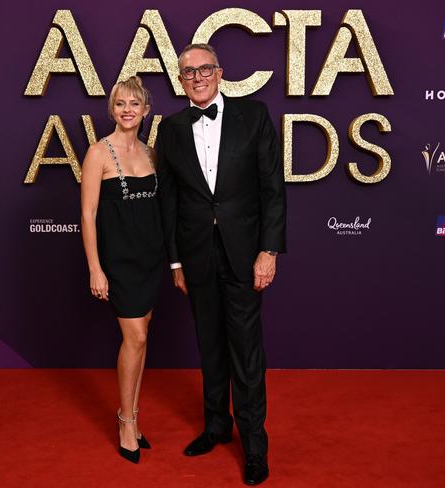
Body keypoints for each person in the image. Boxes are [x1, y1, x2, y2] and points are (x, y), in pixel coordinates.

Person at [156, 44, 286, 485]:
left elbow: (273, 188)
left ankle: (254, 444)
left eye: (204, 69)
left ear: (219, 72)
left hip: (245, 253)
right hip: (195, 255)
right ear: (180, 80)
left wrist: (268, 250)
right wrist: (175, 261)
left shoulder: (254, 115)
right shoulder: (170, 129)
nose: (196, 77)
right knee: (208, 344)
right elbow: (168, 202)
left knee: (246, 352)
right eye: (188, 72)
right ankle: (216, 426)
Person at [81, 76, 164, 464]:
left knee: (142, 337)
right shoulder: (98, 152)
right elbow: (88, 214)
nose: (127, 110)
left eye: (134, 104)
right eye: (120, 104)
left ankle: (134, 415)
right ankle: (125, 421)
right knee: (135, 337)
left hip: (151, 256)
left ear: (146, 110)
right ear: (112, 109)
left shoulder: (150, 154)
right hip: (118, 260)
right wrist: (95, 268)